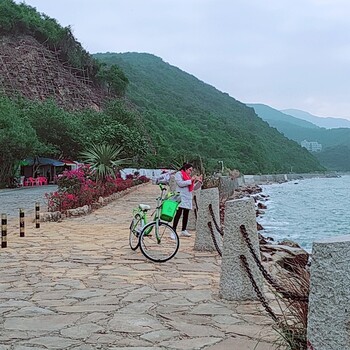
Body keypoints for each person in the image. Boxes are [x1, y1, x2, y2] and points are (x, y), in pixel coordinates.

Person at [172, 163, 202, 237]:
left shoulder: (188, 176)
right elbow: (180, 183)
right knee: (178, 214)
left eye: (191, 170)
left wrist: (199, 182)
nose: (190, 172)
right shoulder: (179, 174)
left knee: (186, 214)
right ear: (185, 168)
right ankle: (173, 230)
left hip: (187, 197)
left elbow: (193, 187)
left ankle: (183, 230)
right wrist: (191, 180)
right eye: (189, 170)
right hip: (181, 196)